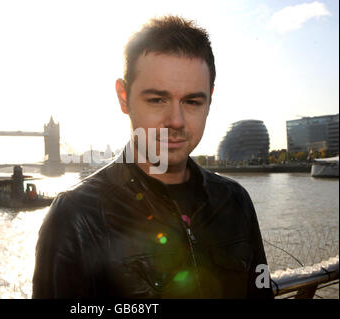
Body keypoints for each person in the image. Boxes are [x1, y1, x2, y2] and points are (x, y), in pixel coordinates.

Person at [32, 15, 273, 299]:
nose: (176, 121)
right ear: (124, 97)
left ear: (210, 99)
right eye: (157, 99)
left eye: (192, 101)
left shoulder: (236, 201)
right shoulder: (77, 217)